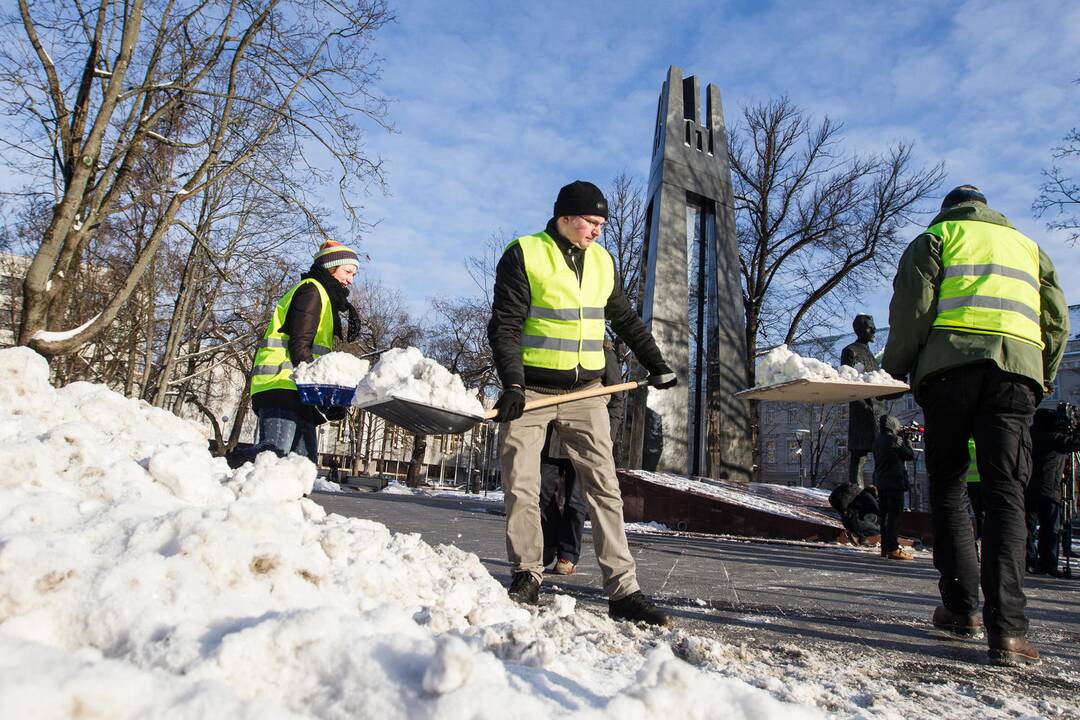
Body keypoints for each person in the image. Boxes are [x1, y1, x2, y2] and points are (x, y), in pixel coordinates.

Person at [882, 184, 1068, 666]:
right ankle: (1008, 631)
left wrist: (898, 366)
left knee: (946, 484)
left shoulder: (936, 238)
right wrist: (1043, 375)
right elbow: (1057, 320)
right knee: (1007, 491)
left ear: (949, 209)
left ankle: (961, 608)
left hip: (948, 373)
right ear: (989, 209)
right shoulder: (1030, 248)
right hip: (1015, 377)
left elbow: (911, 311)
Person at [488, 180, 677, 626]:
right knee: (522, 486)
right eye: (591, 222)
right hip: (531, 392)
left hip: (586, 392)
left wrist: (657, 364)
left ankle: (624, 590)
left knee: (605, 488)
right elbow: (505, 325)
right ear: (566, 216)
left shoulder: (602, 261)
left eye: (601, 224)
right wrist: (512, 385)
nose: (597, 231)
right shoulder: (525, 253)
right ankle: (527, 574)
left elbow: (624, 317)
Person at [248, 240, 361, 463]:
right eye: (347, 271)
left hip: (298, 392)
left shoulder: (324, 296)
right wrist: (323, 397)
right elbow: (300, 346)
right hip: (281, 385)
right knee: (273, 458)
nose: (350, 280)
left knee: (303, 466)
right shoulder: (311, 291)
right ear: (331, 267)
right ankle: (225, 465)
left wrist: (328, 397)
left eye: (354, 275)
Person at [539, 344, 622, 576]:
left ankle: (568, 553)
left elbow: (617, 398)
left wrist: (608, 436)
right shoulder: (559, 347)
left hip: (588, 439)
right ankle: (549, 541)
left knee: (576, 501)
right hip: (553, 438)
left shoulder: (604, 353)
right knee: (541, 491)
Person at [1025, 407, 1080, 576]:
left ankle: (1028, 560)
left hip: (1028, 489)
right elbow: (1075, 443)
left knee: (1028, 528)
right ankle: (1047, 563)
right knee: (1050, 529)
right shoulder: (1054, 438)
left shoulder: (1031, 435)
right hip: (1048, 490)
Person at [841, 315, 885, 487]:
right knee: (859, 457)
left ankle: (879, 496)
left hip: (878, 411)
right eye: (869, 327)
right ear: (859, 330)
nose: (873, 330)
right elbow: (848, 383)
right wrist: (865, 408)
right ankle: (856, 496)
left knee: (882, 455)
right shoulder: (850, 351)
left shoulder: (871, 354)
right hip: (862, 412)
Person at [873, 415, 914, 560]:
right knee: (894, 517)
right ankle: (893, 548)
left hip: (881, 482)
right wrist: (907, 441)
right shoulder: (894, 440)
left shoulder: (877, 440)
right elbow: (909, 455)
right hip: (895, 483)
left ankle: (885, 548)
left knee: (884, 517)